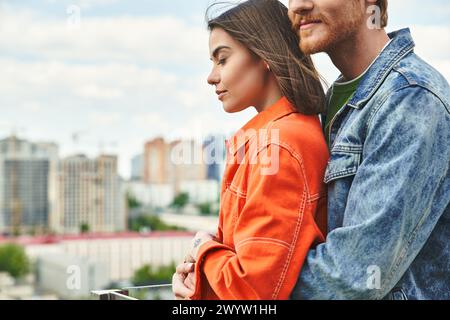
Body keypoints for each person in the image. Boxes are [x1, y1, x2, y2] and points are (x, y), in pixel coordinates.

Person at [287, 0, 450, 299]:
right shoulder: (332, 101)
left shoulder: (409, 99)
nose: (298, 5)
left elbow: (354, 275)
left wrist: (234, 283)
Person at [172, 0, 329, 300]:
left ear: (264, 55)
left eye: (222, 59)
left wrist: (201, 247)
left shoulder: (279, 146)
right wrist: (197, 281)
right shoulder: (270, 138)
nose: (211, 77)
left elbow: (251, 292)